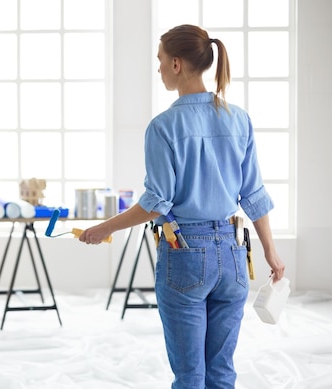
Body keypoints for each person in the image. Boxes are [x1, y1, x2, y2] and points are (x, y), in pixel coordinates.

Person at [78, 24, 285, 388]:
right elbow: (253, 194)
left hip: (186, 254)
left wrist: (103, 228)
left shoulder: (163, 127)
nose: (157, 68)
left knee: (190, 375)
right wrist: (271, 251)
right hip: (234, 255)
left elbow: (156, 204)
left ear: (176, 64)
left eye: (159, 60)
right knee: (221, 371)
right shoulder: (239, 120)